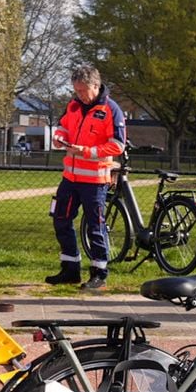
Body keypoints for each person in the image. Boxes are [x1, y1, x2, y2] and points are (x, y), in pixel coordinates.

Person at [45, 65, 125, 291]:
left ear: (96, 86)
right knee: (60, 218)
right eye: (76, 90)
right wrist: (59, 138)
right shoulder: (73, 106)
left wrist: (88, 152)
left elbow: (117, 144)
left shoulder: (111, 109)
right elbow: (63, 127)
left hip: (95, 181)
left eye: (83, 90)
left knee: (95, 226)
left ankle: (99, 273)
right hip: (70, 177)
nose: (79, 95)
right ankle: (70, 268)